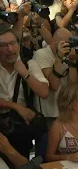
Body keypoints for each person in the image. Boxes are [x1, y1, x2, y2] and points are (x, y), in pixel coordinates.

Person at [0, 27, 49, 159]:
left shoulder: (29, 64)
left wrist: (24, 73)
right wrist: (16, 106)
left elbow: (44, 92)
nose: (10, 49)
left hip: (21, 128)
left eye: (13, 43)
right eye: (3, 45)